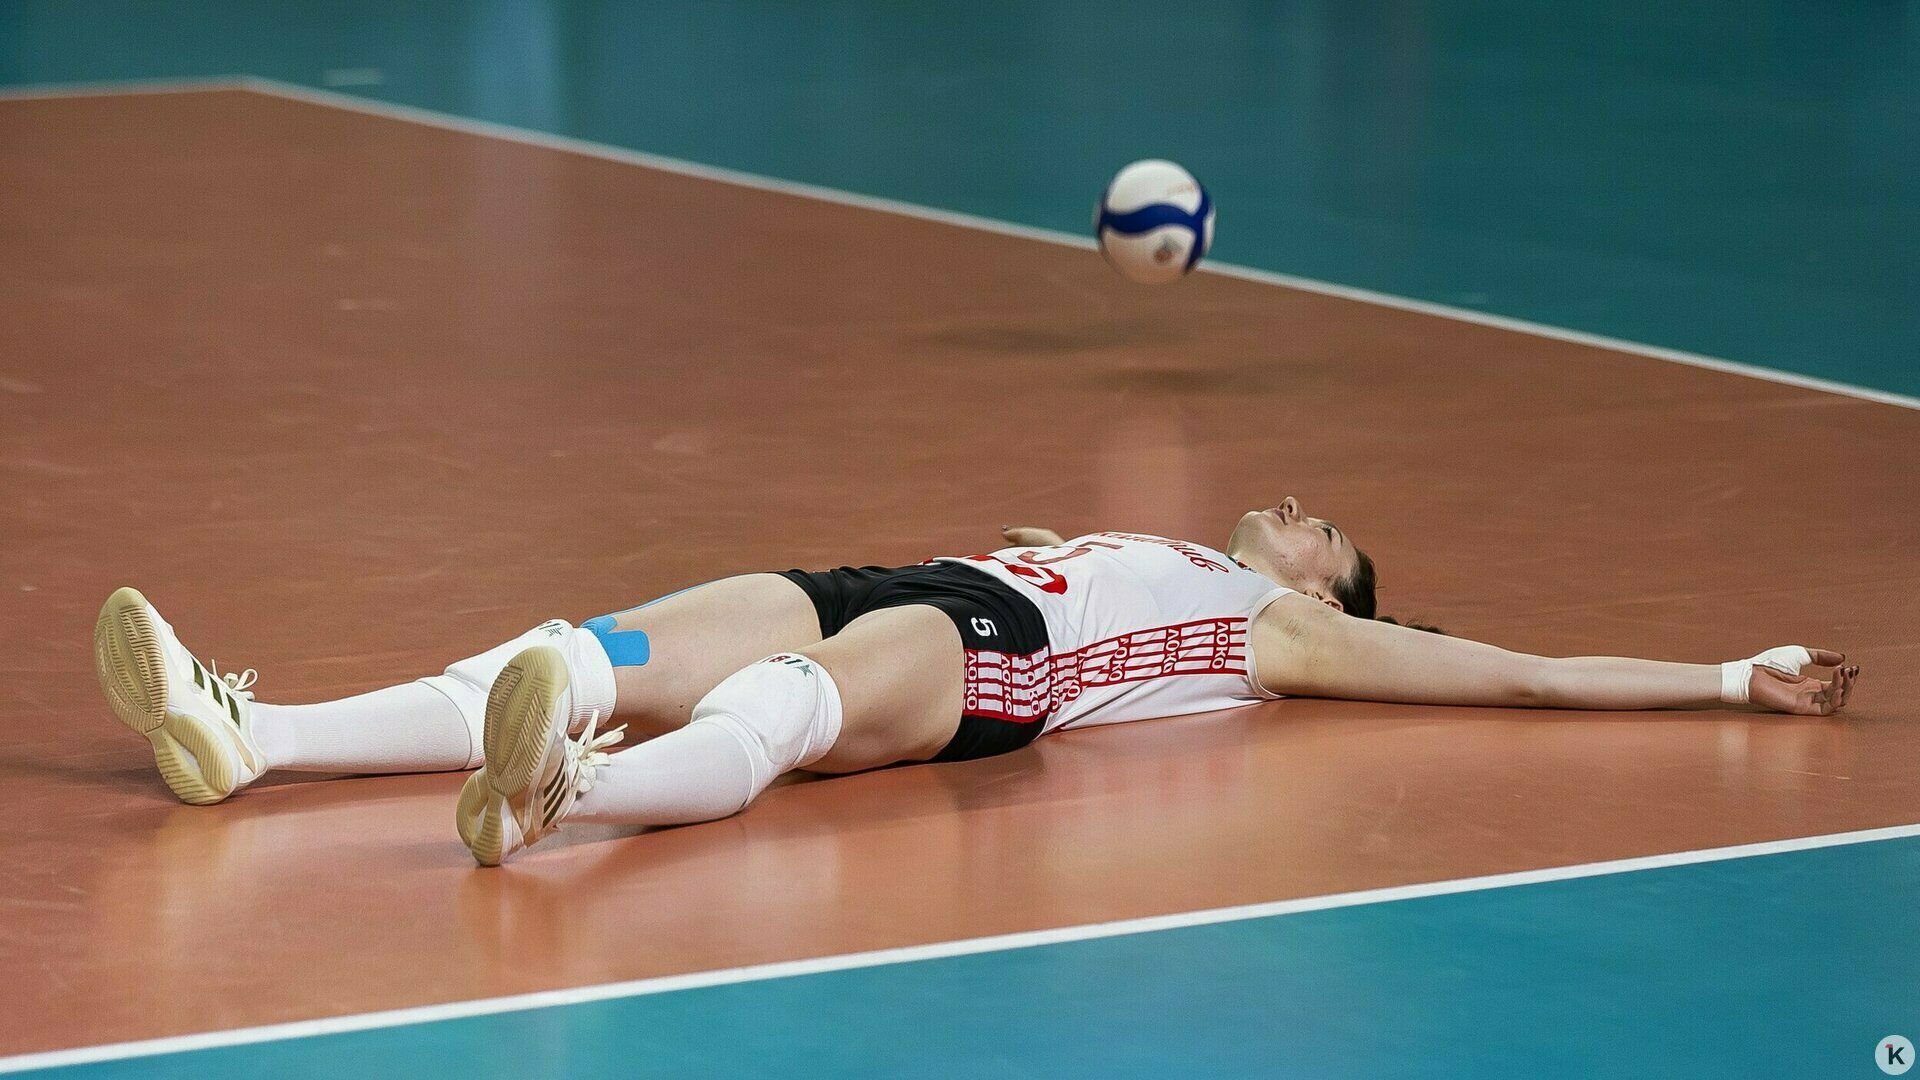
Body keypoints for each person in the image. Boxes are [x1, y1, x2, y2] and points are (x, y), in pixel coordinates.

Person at [92, 498, 1859, 865]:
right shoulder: (1175, 542)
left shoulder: (1278, 628)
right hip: (920, 579)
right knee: (593, 646)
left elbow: (1524, 679)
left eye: (1333, 530)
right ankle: (256, 735)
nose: (1305, 511)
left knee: (783, 711)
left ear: (1336, 592)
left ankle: (573, 792)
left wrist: (1730, 675)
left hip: (1000, 661)